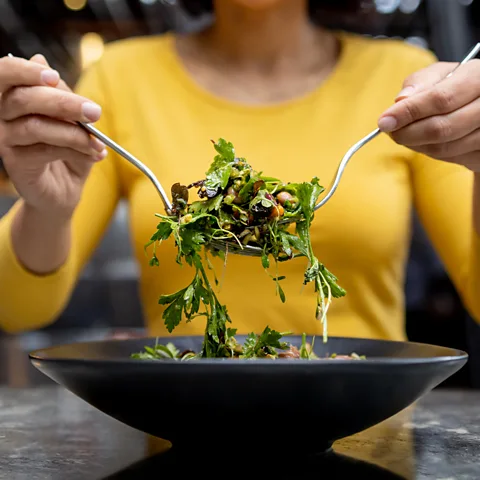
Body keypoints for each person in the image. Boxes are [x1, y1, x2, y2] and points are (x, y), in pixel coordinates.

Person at [0, 0, 479, 342]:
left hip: (369, 428)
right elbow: (16, 309)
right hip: (182, 430)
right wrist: (47, 208)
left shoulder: (406, 82)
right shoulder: (122, 77)